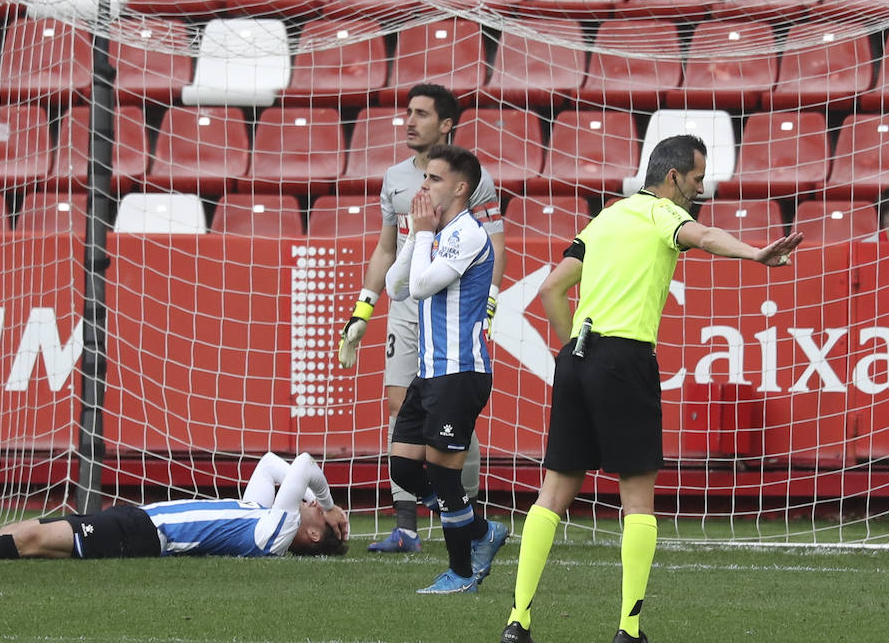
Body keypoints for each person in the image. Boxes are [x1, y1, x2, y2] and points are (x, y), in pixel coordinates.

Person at [500, 135, 804, 643]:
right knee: (637, 498)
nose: (700, 190)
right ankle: (628, 628)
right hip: (625, 360)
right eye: (697, 179)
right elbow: (704, 238)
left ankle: (518, 621)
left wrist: (574, 348)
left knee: (552, 494)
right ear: (672, 178)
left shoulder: (604, 218)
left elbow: (552, 288)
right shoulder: (661, 214)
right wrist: (756, 254)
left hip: (578, 357)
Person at [337, 83, 505, 554]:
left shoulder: (472, 181)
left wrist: (488, 302)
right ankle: (409, 527)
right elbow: (388, 248)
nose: (409, 121)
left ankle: (463, 517)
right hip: (409, 303)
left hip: (447, 298)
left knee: (448, 427)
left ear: (446, 124)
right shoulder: (394, 178)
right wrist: (363, 309)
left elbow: (494, 241)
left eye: (421, 114)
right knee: (400, 406)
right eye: (407, 112)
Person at [384, 143, 509, 594]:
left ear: (460, 187)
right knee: (403, 469)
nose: (423, 186)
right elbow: (395, 286)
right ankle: (480, 532)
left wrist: (419, 234)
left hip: (460, 373)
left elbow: (419, 288)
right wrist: (418, 235)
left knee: (443, 475)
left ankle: (460, 574)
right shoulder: (436, 234)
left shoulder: (467, 233)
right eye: (424, 178)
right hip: (430, 373)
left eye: (433, 180)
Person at [0, 452, 349, 561]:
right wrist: (323, 508)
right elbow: (274, 464)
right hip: (138, 522)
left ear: (310, 533)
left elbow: (305, 466)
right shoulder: (260, 515)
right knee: (41, 528)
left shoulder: (272, 536)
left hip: (140, 534)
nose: (309, 503)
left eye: (315, 514)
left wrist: (330, 506)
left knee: (37, 539)